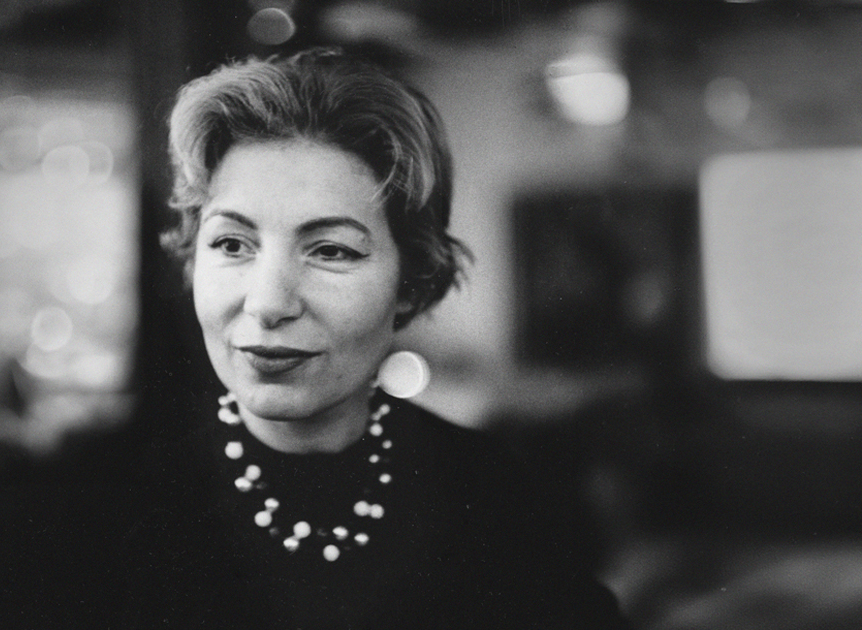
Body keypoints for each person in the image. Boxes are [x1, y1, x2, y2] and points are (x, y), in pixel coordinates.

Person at [118, 48, 630, 629]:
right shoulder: (101, 506)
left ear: (410, 283)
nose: (268, 303)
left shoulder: (499, 494)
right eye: (232, 244)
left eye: (331, 250)